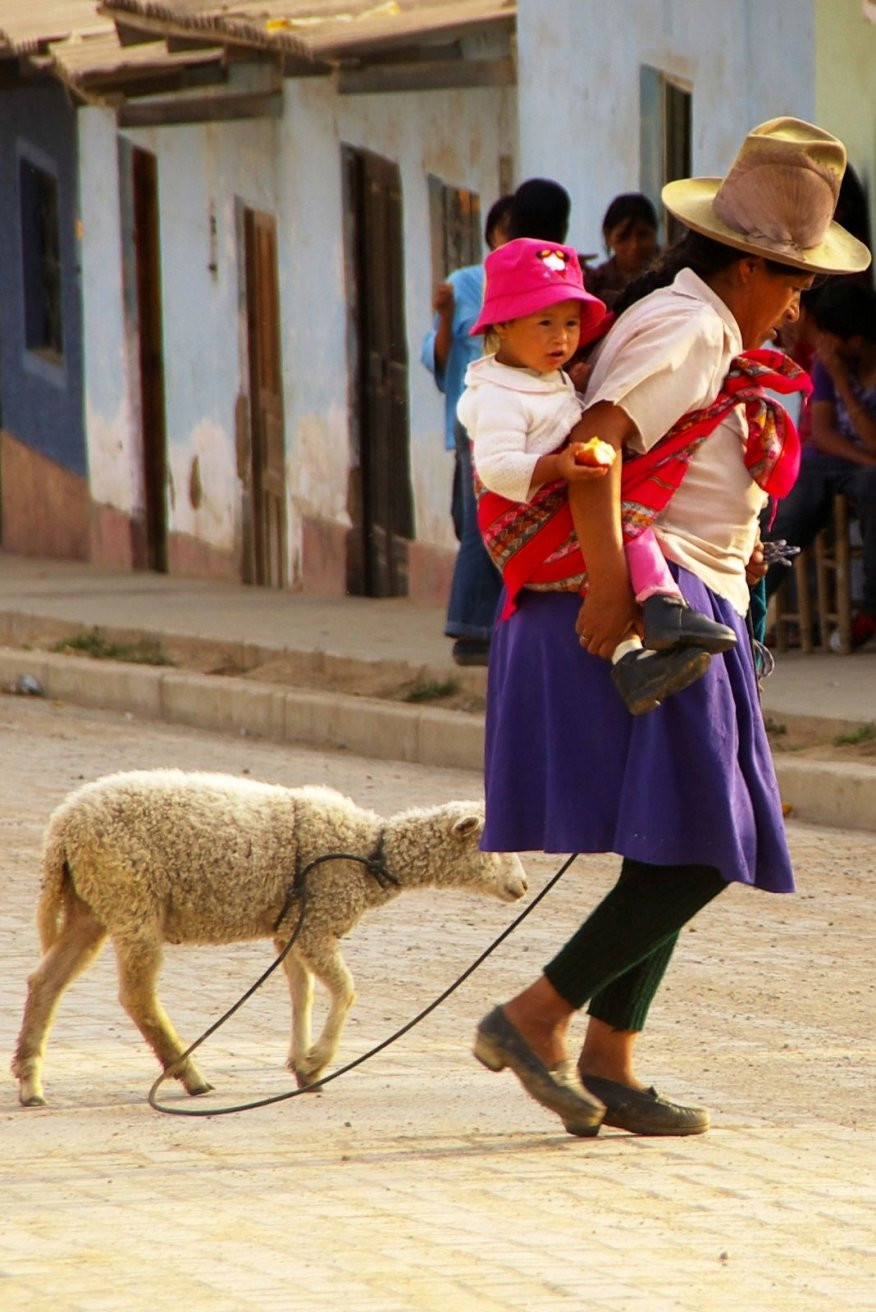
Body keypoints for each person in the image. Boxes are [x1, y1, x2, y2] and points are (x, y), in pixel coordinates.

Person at [470, 117, 870, 1138]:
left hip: (703, 603)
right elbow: (599, 452)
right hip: (658, 604)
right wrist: (613, 592)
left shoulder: (707, 327)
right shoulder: (688, 331)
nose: (797, 303)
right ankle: (535, 1015)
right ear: (748, 265)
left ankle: (610, 1057)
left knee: (678, 838)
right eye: (791, 280)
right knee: (704, 845)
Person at [459, 237, 738, 715]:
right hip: (521, 529)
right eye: (544, 322)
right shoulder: (496, 394)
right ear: (503, 326)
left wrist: (578, 385)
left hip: (548, 506)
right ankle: (660, 610)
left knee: (631, 521)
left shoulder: (546, 375)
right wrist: (559, 465)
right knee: (627, 522)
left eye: (570, 323)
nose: (561, 338)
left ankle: (637, 656)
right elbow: (497, 469)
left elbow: (557, 413)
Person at [421, 195, 513, 666]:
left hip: (515, 414)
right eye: (505, 230)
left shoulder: (537, 280)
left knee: (480, 517)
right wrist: (442, 317)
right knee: (476, 522)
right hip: (474, 415)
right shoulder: (466, 283)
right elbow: (436, 362)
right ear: (490, 236)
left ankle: (486, 623)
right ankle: (472, 627)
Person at [764, 279, 876, 647]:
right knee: (791, 496)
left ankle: (871, 611)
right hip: (838, 460)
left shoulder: (841, 367)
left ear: (856, 341)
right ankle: (752, 600)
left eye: (832, 337)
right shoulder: (829, 365)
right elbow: (825, 435)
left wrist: (843, 382)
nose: (824, 346)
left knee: (873, 487)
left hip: (862, 468)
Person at [586, 193, 661, 309]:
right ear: (607, 236)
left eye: (643, 235)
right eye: (623, 237)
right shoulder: (593, 285)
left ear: (655, 232)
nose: (634, 246)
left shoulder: (674, 277)